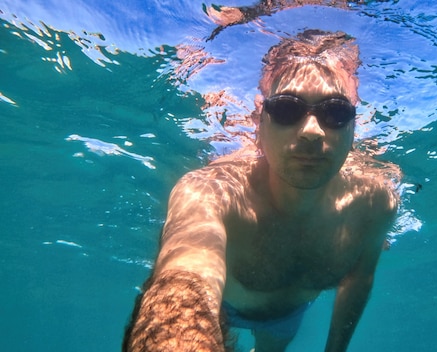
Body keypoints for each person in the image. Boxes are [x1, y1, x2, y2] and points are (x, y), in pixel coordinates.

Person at [124, 30, 400, 352]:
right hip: (218, 308)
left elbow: (359, 278)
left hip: (287, 317)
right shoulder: (211, 192)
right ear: (260, 122)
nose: (311, 131)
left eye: (335, 113)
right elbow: (183, 278)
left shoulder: (374, 203)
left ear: (354, 127)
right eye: (286, 110)